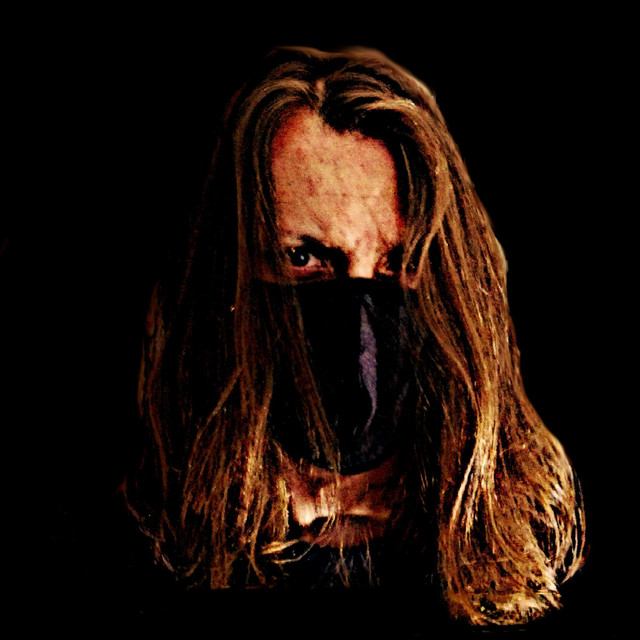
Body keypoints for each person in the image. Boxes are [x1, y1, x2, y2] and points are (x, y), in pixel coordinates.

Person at [125, 45, 586, 626]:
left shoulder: (530, 570)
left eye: (401, 262)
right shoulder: (124, 553)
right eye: (302, 257)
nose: (359, 343)